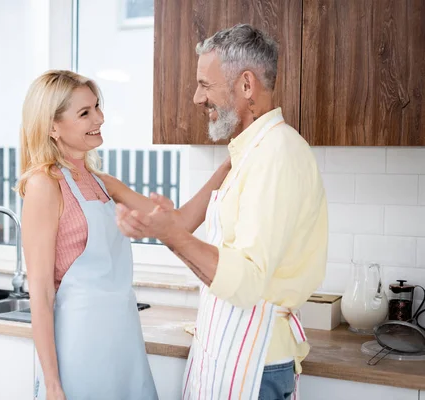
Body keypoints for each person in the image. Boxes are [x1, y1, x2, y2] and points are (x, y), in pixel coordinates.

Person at [116, 24, 328, 400]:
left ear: (246, 86)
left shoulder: (276, 155)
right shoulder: (245, 154)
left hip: (256, 361)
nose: (198, 98)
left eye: (205, 85)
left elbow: (247, 282)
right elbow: (183, 225)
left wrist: (173, 236)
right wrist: (162, 225)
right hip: (231, 350)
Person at [17, 70, 231, 400]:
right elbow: (41, 293)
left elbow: (179, 223)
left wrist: (228, 166)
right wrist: (53, 385)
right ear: (52, 127)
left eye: (97, 107)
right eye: (85, 112)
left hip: (123, 341)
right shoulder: (43, 185)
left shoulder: (102, 182)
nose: (99, 118)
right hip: (79, 351)